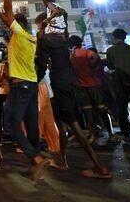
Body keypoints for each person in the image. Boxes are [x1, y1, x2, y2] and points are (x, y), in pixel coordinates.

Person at [35, 13, 110, 179]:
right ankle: (61, 160)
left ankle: (100, 166)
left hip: (58, 83)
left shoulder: (45, 39)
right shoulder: (63, 38)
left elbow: (40, 63)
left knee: (73, 125)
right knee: (61, 124)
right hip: (69, 81)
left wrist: (34, 80)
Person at [0, 0, 46, 177]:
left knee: (10, 124)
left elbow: (8, 11)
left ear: (16, 26)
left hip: (21, 88)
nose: (6, 25)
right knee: (31, 127)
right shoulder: (30, 38)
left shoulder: (19, 35)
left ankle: (36, 158)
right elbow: (6, 16)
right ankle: (35, 163)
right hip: (31, 85)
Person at [69, 35, 112, 143]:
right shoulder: (85, 52)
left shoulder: (73, 54)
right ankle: (110, 134)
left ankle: (93, 135)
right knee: (102, 109)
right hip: (93, 84)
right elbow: (96, 57)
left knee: (88, 112)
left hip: (81, 86)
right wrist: (92, 67)